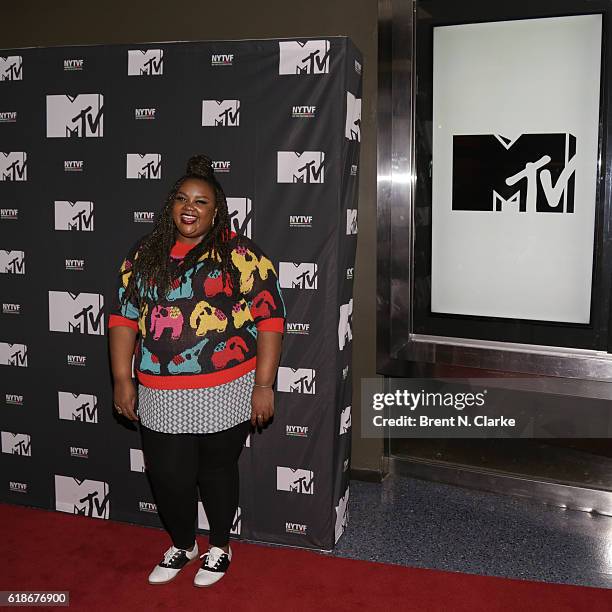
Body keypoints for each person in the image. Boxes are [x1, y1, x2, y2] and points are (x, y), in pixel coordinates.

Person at [108, 154, 285, 587]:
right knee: (167, 474)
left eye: (202, 201)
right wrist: (121, 378)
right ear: (171, 204)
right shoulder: (144, 254)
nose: (191, 207)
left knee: (216, 472)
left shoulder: (241, 254)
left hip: (225, 386)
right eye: (183, 199)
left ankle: (219, 547)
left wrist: (264, 385)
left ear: (216, 210)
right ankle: (184, 545)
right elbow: (124, 319)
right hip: (159, 388)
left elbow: (271, 319)